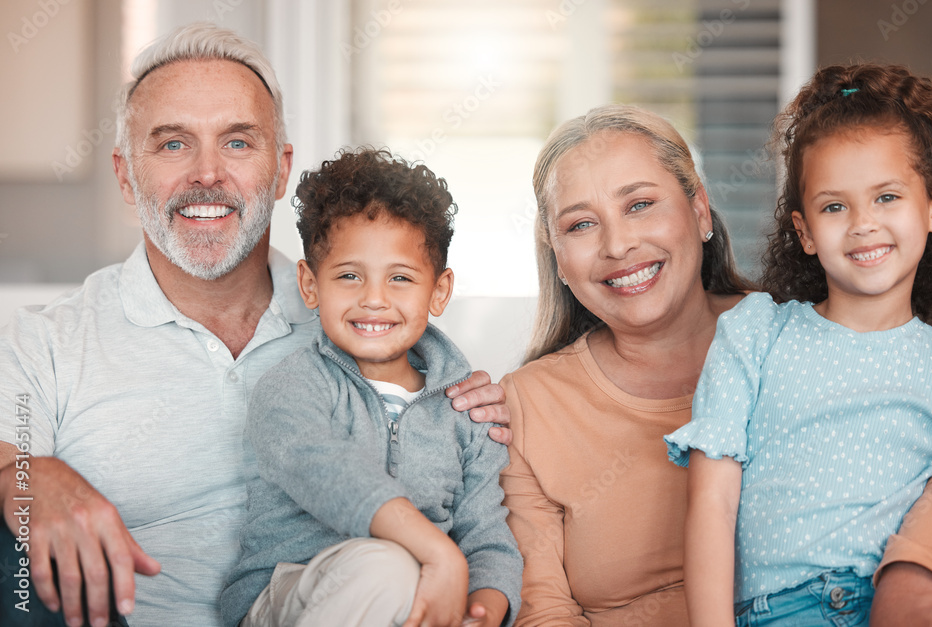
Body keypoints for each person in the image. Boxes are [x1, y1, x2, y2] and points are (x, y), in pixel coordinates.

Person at [0, 23, 509, 627]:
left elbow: (457, 457)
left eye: (238, 143)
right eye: (172, 145)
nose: (208, 173)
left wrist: (483, 406)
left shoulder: (362, 315)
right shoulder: (45, 343)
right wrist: (22, 475)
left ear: (281, 168)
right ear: (124, 175)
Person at [665, 62, 932, 626]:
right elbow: (712, 503)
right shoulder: (756, 332)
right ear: (805, 232)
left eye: (887, 197)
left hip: (878, 608)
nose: (863, 224)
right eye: (835, 206)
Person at [221, 148, 522, 627]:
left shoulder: (466, 410)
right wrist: (440, 555)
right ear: (310, 284)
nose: (374, 299)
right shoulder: (292, 389)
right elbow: (332, 475)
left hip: (418, 601)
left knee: (414, 583)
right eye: (349, 276)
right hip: (291, 593)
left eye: (400, 278)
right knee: (390, 567)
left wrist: (483, 609)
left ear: (439, 291)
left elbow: (486, 532)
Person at [498, 104, 754, 625]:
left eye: (639, 204)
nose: (618, 245)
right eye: (582, 224)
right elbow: (544, 611)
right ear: (559, 259)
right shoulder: (527, 406)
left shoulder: (800, 340)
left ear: (700, 211)